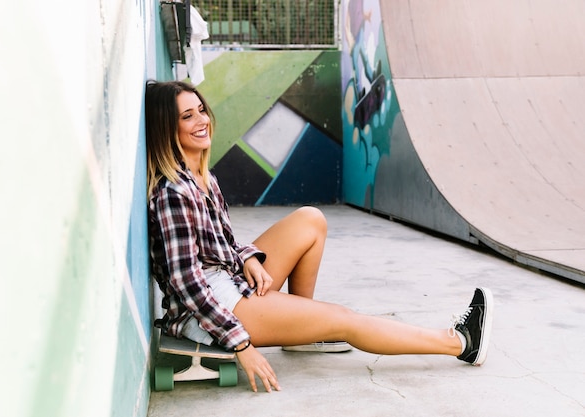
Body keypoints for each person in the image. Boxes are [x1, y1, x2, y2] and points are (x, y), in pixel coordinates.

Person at [145, 80, 494, 393]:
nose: (202, 120)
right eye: (187, 116)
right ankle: (461, 343)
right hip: (211, 310)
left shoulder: (201, 178)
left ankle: (301, 337)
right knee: (345, 320)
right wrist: (241, 344)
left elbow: (217, 245)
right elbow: (187, 283)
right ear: (167, 129)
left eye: (201, 110)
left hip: (227, 280)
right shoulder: (174, 193)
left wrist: (247, 256)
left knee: (310, 221)